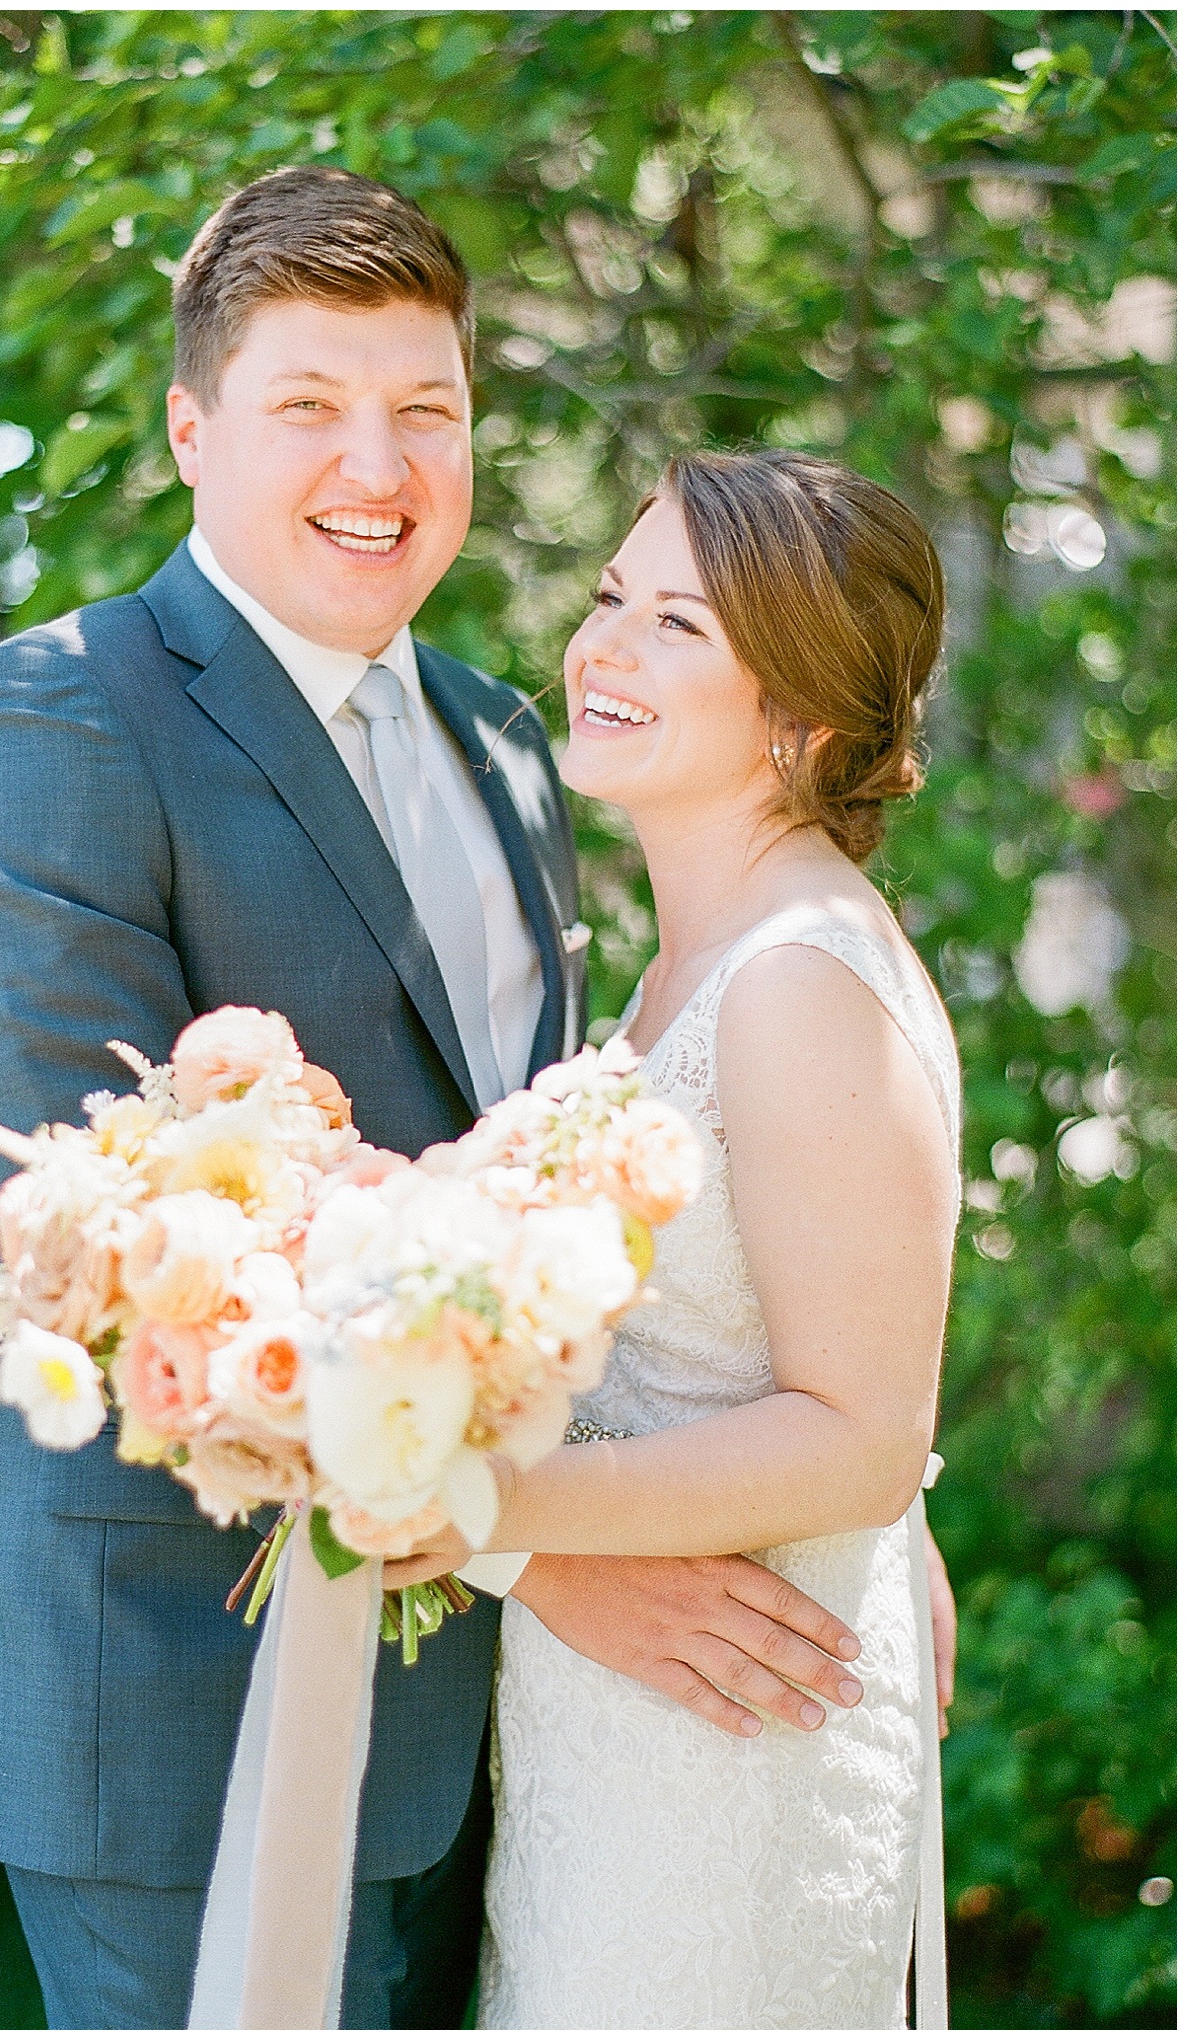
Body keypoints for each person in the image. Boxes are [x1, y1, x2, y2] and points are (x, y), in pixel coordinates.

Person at [0, 166, 951, 2030]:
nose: (376, 464)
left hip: (504, 1729)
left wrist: (863, 1491)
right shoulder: (49, 726)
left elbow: (595, 1218)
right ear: (192, 428)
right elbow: (109, 1265)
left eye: (427, 410)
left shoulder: (510, 745)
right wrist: (535, 1547)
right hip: (180, 1712)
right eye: (309, 404)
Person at [389, 448, 960, 2027]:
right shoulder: (682, 965)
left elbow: (861, 1438)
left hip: (731, 1773)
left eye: (679, 627)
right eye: (608, 601)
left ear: (806, 716)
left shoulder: (796, 982)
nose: (602, 652)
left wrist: (480, 1508)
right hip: (624, 1748)